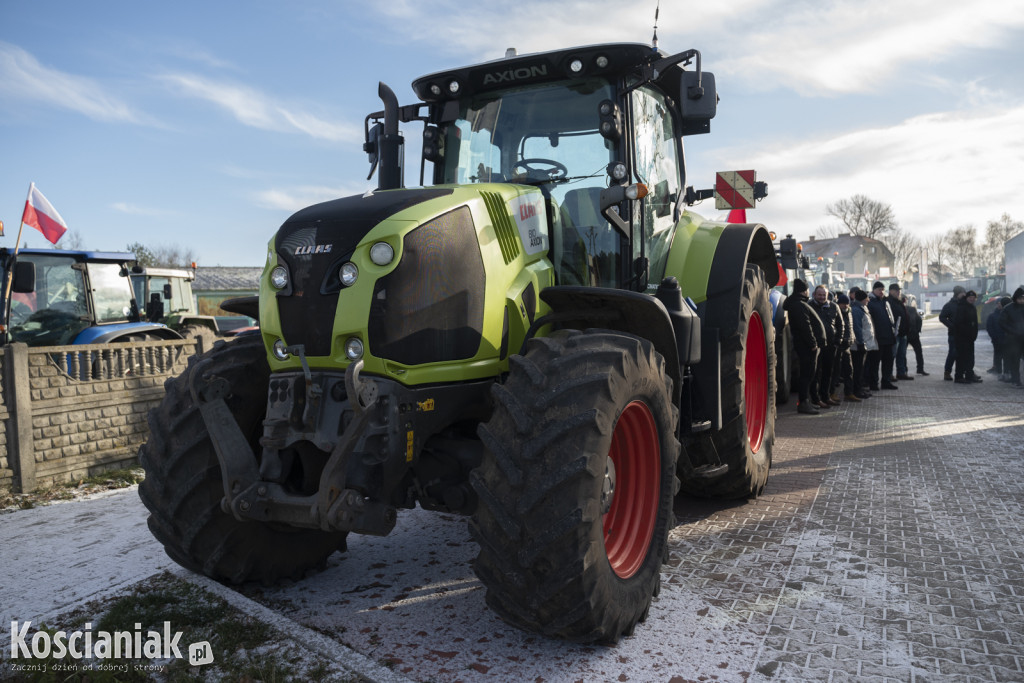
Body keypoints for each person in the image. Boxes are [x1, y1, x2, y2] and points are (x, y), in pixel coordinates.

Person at [783, 278, 827, 413]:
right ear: (805, 290)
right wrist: (813, 344)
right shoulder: (798, 305)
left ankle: (806, 401)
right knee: (806, 375)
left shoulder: (799, 303)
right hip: (807, 347)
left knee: (809, 374)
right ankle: (803, 403)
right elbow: (805, 326)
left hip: (807, 347)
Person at [810, 285, 840, 406]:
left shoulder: (834, 307)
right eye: (820, 295)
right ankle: (815, 399)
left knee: (828, 372)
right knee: (816, 373)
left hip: (830, 346)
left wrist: (838, 340)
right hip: (816, 346)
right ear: (814, 295)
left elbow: (840, 325)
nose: (822, 297)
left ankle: (825, 396)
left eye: (824, 295)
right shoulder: (809, 306)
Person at [867, 281, 898, 390]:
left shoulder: (885, 302)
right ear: (874, 290)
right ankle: (873, 383)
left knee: (888, 362)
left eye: (883, 290)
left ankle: (886, 381)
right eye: (879, 289)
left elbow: (891, 319)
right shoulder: (870, 303)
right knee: (875, 364)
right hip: (877, 339)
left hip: (888, 338)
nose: (881, 292)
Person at [951, 290, 982, 383]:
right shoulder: (962, 307)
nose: (972, 299)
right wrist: (966, 332)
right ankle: (959, 376)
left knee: (970, 358)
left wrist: (974, 334)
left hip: (970, 338)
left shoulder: (972, 307)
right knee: (961, 357)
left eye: (973, 298)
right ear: (967, 298)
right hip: (962, 337)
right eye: (970, 298)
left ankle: (969, 374)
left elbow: (975, 323)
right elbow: (959, 323)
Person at [850, 289, 875, 399]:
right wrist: (860, 343)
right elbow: (857, 328)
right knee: (858, 369)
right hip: (858, 346)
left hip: (864, 345)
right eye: (867, 298)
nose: (868, 300)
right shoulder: (856, 310)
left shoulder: (862, 308)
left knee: (861, 369)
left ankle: (860, 389)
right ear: (862, 299)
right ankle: (856, 390)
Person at [834, 293, 858, 401]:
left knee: (849, 370)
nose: (845, 306)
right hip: (838, 346)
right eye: (843, 304)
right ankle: (831, 393)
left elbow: (850, 328)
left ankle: (849, 393)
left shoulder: (849, 313)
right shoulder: (835, 312)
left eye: (847, 304)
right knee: (835, 371)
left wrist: (852, 339)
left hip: (847, 345)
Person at [939, 286, 966, 380]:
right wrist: (951, 326)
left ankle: (966, 372)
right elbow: (942, 317)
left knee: (965, 354)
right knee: (953, 353)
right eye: (963, 293)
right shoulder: (949, 305)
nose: (964, 295)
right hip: (954, 334)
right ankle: (947, 372)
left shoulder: (965, 304)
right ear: (958, 293)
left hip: (964, 334)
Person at [1000, 287, 1024, 387]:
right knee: (1015, 360)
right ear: (1015, 298)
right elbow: (1002, 323)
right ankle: (1016, 380)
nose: (1022, 300)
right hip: (1013, 339)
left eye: (1023, 298)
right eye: (1020, 298)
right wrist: (1013, 331)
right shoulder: (1008, 308)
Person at [888, 283, 913, 380]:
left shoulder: (899, 302)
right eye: (896, 290)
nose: (899, 292)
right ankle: (889, 374)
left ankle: (901, 373)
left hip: (903, 333)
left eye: (899, 290)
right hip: (895, 333)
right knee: (892, 355)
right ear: (891, 291)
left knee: (901, 355)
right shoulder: (889, 302)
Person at [903, 294, 928, 376]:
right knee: (904, 354)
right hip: (906, 335)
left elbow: (919, 320)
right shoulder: (905, 309)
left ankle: (919, 369)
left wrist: (917, 330)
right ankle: (905, 370)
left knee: (917, 352)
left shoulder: (911, 309)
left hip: (912, 334)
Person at [986, 297, 1010, 379]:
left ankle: (1007, 372)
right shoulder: (992, 316)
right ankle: (999, 371)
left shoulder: (1008, 314)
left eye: (1001, 303)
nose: (999, 305)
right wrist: (994, 337)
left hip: (1007, 340)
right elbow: (989, 328)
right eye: (998, 303)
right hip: (997, 340)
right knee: (998, 357)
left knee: (1007, 357)